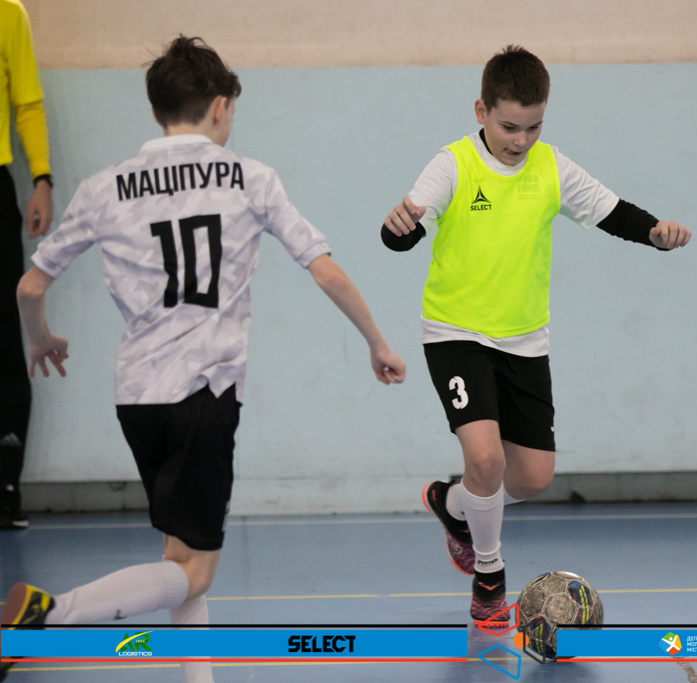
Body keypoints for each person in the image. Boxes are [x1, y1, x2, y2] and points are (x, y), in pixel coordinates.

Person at [1, 36, 405, 683]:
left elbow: (28, 286)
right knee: (196, 569)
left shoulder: (107, 186)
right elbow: (325, 271)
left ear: (157, 109)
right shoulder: (250, 177)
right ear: (220, 107)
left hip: (137, 398)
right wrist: (377, 342)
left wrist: (41, 339)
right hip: (204, 394)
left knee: (179, 552)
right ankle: (49, 617)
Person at [381, 45, 691, 625]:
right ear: (481, 111)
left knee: (531, 478)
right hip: (455, 332)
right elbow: (407, 227)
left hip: (524, 340)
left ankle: (451, 503)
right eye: (509, 126)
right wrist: (398, 227)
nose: (520, 140)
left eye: (533, 126)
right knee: (484, 456)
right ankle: (490, 576)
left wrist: (654, 231)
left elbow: (610, 210)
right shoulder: (453, 164)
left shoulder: (550, 167)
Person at [1, 0, 53, 530]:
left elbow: (28, 103)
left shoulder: (8, 13)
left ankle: (4, 486)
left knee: (3, 337)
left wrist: (42, 178)